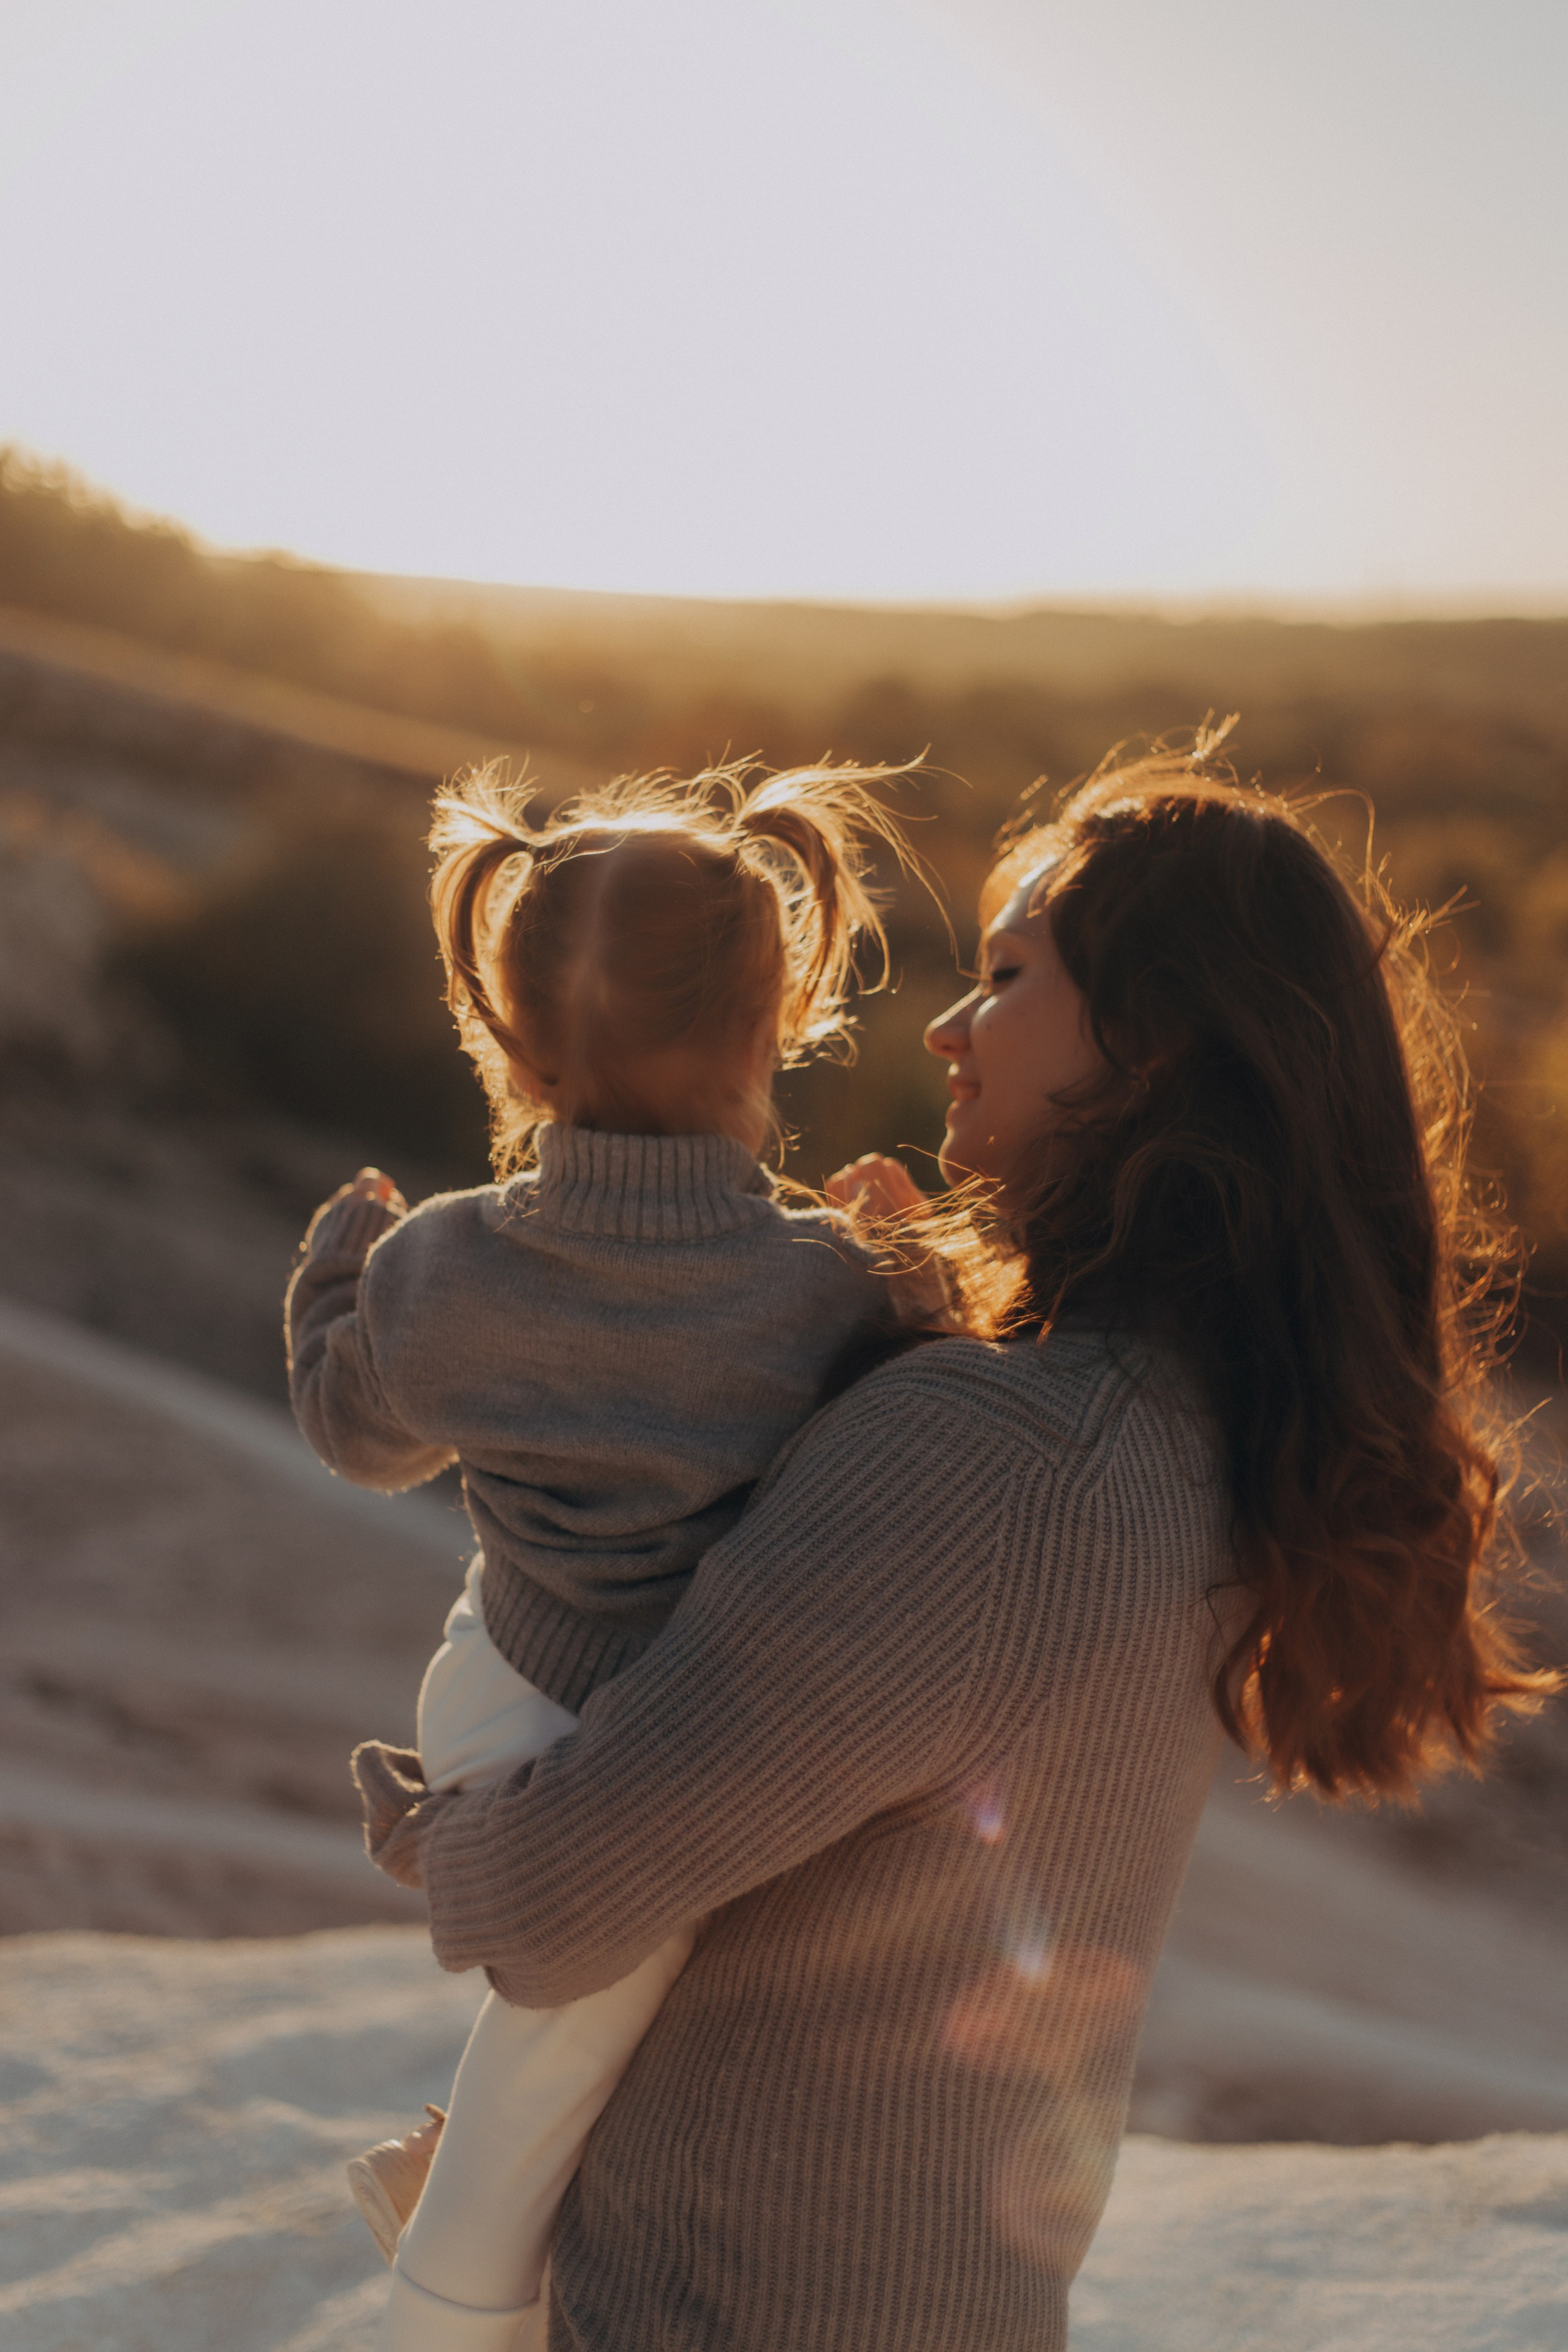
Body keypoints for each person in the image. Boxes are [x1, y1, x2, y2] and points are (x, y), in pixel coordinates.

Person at [355, 739, 1559, 2352]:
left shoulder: (995, 1461)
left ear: (1153, 1046)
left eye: (1005, 975)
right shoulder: (1167, 1426)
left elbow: (554, 1909)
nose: (945, 1023)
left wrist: (442, 1829)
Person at [286, 758, 939, 2351]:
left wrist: (336, 1272)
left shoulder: (443, 1261)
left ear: (510, 1042)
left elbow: (358, 1437)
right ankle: (453, 2300)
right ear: (780, 1023)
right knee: (581, 2023)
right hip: (635, 1734)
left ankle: (459, 2180)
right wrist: (908, 1247)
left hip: (497, 1683)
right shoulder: (821, 1286)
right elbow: (916, 1391)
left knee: (609, 2022)